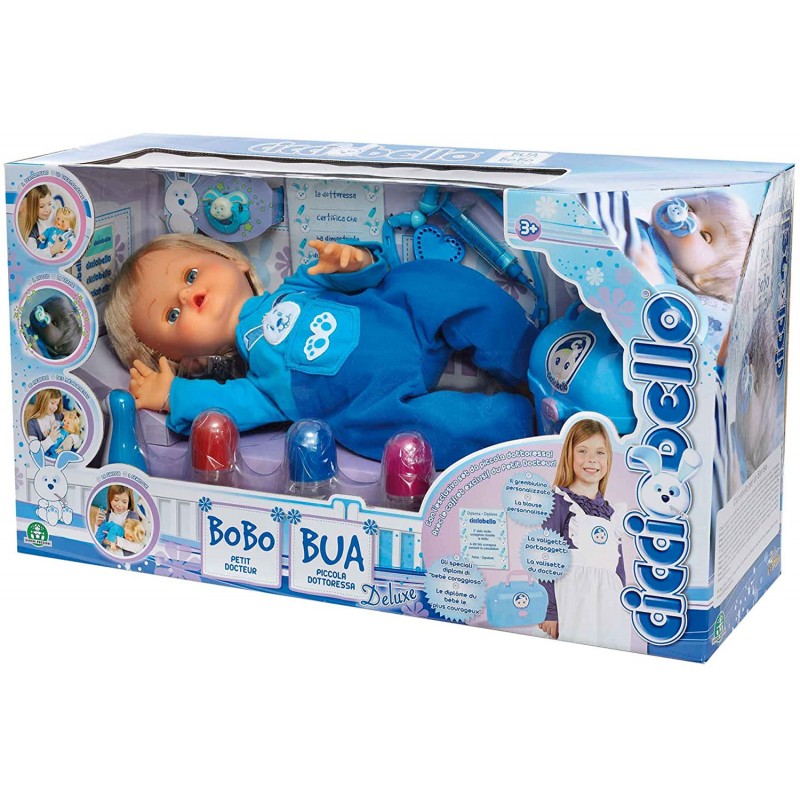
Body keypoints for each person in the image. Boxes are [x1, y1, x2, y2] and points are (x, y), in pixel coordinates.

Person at [104, 233, 537, 469]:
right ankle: (530, 429)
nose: (187, 295)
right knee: (425, 437)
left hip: (395, 318)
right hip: (371, 405)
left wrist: (353, 260)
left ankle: (533, 359)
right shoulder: (262, 384)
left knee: (434, 282)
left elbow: (357, 277)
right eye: (172, 316)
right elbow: (227, 406)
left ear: (234, 260)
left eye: (190, 274)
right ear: (185, 359)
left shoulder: (297, 283)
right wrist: (172, 395)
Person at [579, 190, 754, 354]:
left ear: (705, 279)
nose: (689, 215)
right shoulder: (642, 228)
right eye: (691, 207)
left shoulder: (664, 280)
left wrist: (655, 289)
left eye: (705, 236)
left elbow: (662, 330)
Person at [539, 418, 630, 651]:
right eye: (582, 450)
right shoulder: (558, 503)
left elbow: (618, 570)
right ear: (569, 455)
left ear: (608, 459)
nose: (592, 459)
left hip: (609, 609)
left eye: (600, 452)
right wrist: (550, 611)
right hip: (573, 604)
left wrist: (624, 606)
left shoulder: (612, 513)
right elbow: (545, 561)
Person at [18, 185, 69, 258]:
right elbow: (32, 254)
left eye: (49, 204)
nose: (47, 210)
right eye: (41, 206)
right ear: (33, 208)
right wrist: (53, 250)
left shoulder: (57, 215)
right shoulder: (35, 230)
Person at [94, 485, 139, 552]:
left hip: (122, 555)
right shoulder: (107, 515)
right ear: (110, 499)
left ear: (129, 502)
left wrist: (116, 540)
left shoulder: (132, 516)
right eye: (116, 500)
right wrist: (97, 525)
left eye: (124, 502)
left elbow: (137, 547)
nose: (120, 505)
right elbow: (98, 540)